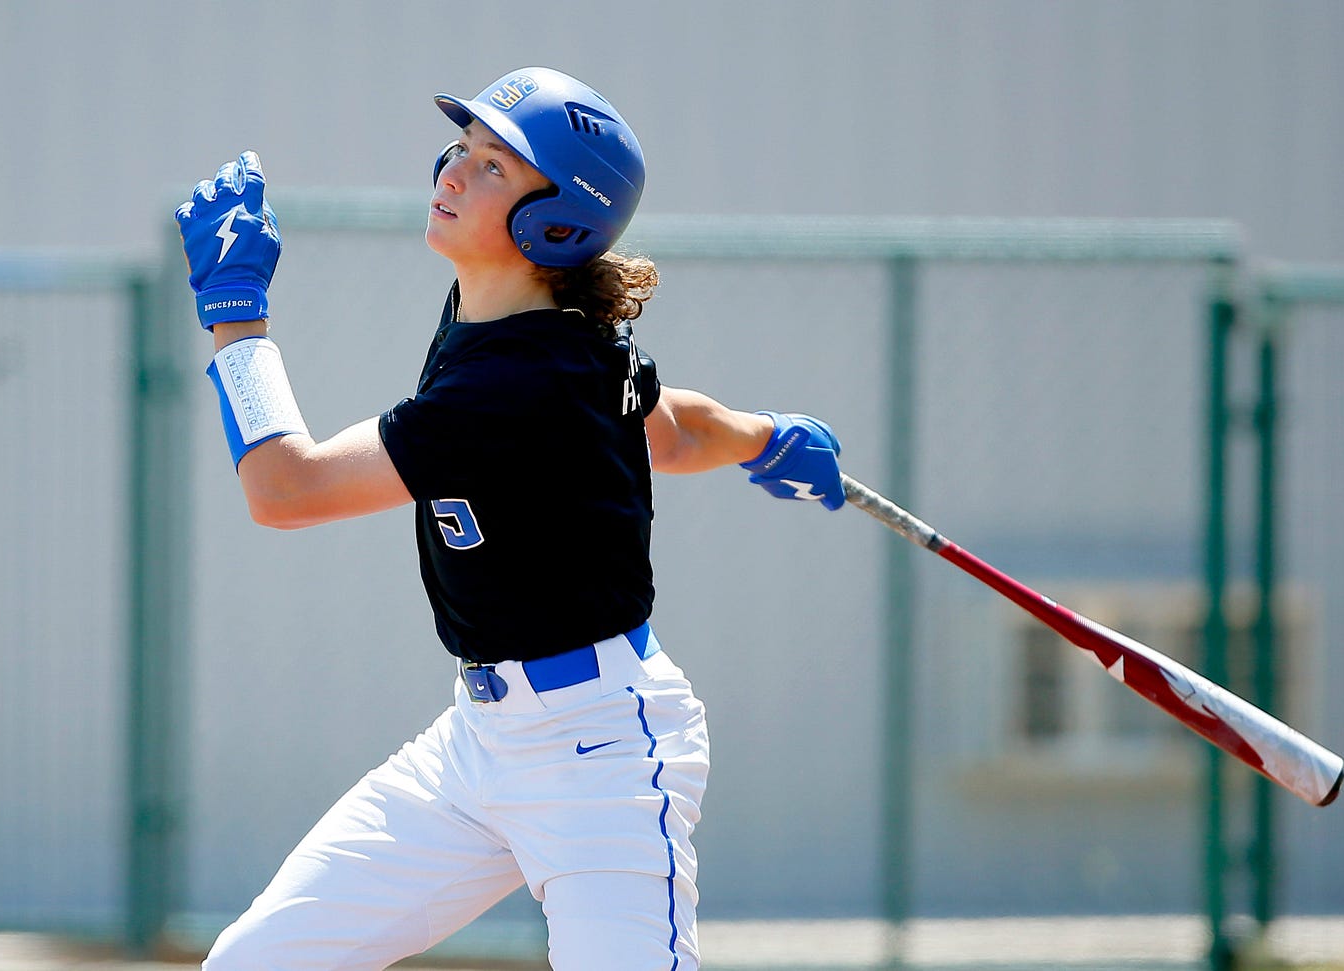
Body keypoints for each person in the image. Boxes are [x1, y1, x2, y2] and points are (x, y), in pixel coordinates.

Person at [175, 66, 845, 971]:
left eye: (494, 166)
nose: (453, 172)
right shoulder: (540, 326)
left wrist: (236, 317)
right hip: (480, 745)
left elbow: (285, 491)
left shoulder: (520, 377)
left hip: (600, 753)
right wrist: (765, 438)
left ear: (558, 223)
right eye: (463, 149)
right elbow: (673, 429)